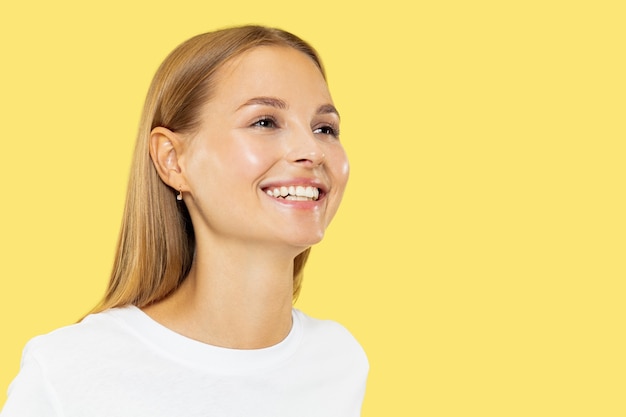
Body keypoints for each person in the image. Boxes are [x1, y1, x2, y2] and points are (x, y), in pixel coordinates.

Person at [0, 25, 368, 416]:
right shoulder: (70, 372)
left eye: (325, 128)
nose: (312, 150)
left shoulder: (338, 361)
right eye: (265, 122)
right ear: (173, 160)